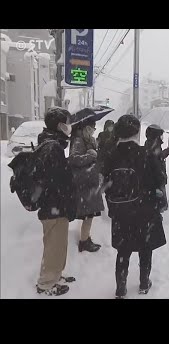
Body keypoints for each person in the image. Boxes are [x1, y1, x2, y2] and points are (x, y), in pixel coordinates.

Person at [103, 115, 166, 299]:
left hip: (120, 212)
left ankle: (120, 289)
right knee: (145, 248)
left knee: (123, 251)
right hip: (143, 210)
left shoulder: (111, 155)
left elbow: (105, 181)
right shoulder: (145, 154)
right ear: (136, 132)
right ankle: (144, 283)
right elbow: (160, 179)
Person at [35, 107, 76, 296]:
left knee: (58, 245)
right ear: (59, 125)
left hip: (55, 205)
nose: (69, 126)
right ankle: (45, 284)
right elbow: (57, 181)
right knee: (54, 245)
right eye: (66, 123)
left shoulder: (52, 144)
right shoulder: (52, 147)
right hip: (54, 206)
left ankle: (55, 274)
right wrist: (68, 204)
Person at [69, 118, 104, 253]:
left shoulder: (88, 139)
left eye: (93, 129)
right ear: (84, 128)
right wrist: (91, 156)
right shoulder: (78, 140)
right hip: (84, 182)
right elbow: (73, 158)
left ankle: (86, 238)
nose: (92, 131)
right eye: (90, 128)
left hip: (89, 180)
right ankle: (84, 241)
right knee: (88, 213)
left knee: (90, 213)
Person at [144, 124, 169, 212]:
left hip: (157, 174)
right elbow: (155, 159)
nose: (161, 137)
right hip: (157, 175)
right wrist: (164, 153)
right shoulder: (153, 144)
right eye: (160, 135)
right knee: (159, 197)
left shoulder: (152, 143)